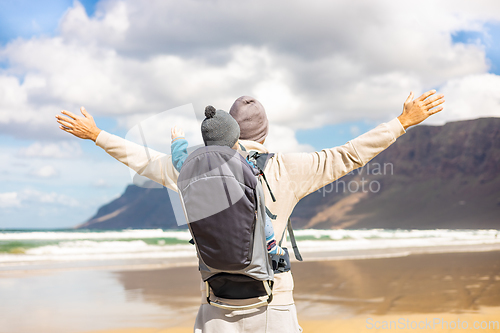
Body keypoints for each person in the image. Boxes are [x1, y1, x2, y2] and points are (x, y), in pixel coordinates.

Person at [56, 90, 445, 332]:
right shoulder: (288, 168)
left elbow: (144, 160)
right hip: (274, 299)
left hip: (217, 301)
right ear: (265, 132)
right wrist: (402, 122)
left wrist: (96, 135)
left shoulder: (192, 169)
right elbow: (349, 155)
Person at [170, 106, 285, 256]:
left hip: (212, 222)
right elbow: (252, 174)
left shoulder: (197, 165)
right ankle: (270, 244)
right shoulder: (238, 163)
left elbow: (179, 161)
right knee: (262, 212)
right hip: (238, 224)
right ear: (234, 141)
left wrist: (178, 141)